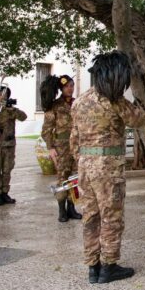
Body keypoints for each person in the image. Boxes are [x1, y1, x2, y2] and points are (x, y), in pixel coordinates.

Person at [70, 51, 145, 284]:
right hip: (108, 170)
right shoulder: (116, 103)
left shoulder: (80, 101)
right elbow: (139, 120)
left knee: (90, 217)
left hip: (85, 167)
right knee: (111, 217)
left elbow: (74, 139)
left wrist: (84, 161)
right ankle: (109, 266)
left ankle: (93, 266)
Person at [40, 75, 82, 222]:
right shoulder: (55, 106)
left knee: (75, 177)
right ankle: (61, 210)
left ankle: (72, 207)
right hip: (61, 147)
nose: (70, 89)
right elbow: (46, 130)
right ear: (61, 88)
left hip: (76, 146)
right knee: (62, 178)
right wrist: (50, 148)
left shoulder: (78, 104)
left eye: (71, 85)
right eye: (66, 86)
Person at [0, 87, 27, 205]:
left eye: (4, 95)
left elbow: (23, 117)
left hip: (9, 144)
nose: (1, 96)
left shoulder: (10, 109)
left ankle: (5, 192)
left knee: (7, 170)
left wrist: (11, 110)